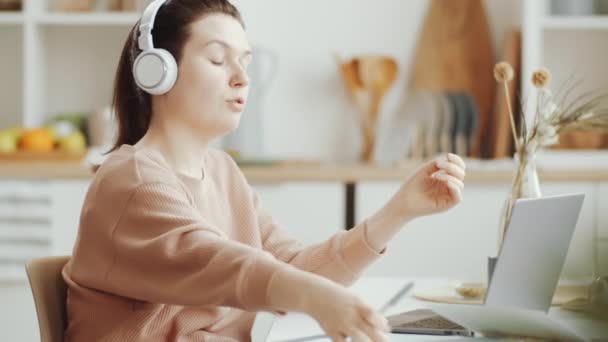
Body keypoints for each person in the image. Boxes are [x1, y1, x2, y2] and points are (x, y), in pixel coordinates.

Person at [61, 0, 467, 341]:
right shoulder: (132, 178)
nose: (241, 78)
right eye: (219, 59)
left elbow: (293, 270)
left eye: (245, 61)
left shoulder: (222, 172)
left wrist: (398, 212)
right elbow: (218, 264)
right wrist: (316, 298)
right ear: (158, 71)